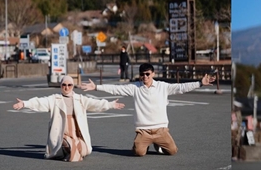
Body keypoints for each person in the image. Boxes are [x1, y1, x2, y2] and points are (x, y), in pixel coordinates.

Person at [81, 63, 216, 156]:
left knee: (173, 151)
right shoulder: (135, 87)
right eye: (142, 74)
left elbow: (181, 87)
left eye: (147, 74)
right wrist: (97, 87)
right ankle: (141, 144)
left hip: (161, 129)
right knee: (139, 153)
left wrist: (199, 83)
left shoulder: (163, 87)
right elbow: (116, 88)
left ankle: (158, 144)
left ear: (153, 73)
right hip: (143, 130)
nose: (145, 77)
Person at [12, 75, 125, 161]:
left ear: (72, 86)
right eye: (64, 85)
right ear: (61, 86)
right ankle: (71, 154)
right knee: (71, 148)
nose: (66, 87)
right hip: (63, 135)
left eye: (69, 85)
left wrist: (111, 105)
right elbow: (40, 102)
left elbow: (95, 104)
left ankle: (71, 153)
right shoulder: (54, 99)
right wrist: (25, 104)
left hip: (77, 135)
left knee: (84, 149)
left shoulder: (80, 99)